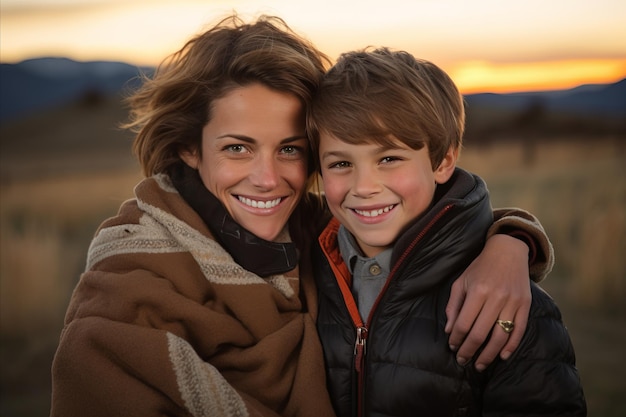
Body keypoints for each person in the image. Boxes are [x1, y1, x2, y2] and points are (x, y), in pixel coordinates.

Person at [50, 15, 555, 417]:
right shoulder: (129, 285)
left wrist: (510, 240)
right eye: (237, 148)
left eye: (290, 149)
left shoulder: (317, 235)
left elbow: (429, 230)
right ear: (188, 148)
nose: (268, 179)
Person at [307, 47, 586, 416]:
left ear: (443, 162)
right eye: (341, 163)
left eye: (388, 158)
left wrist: (511, 241)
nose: (364, 186)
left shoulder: (506, 304)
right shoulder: (304, 268)